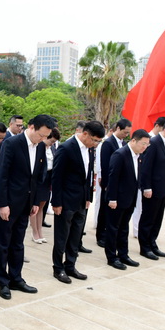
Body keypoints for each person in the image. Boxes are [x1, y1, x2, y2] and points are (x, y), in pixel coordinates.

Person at [0, 114, 54, 299]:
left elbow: (37, 177)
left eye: (46, 136)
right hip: (8, 204)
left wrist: (35, 202)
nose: (43, 139)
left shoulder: (40, 147)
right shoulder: (12, 143)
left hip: (26, 204)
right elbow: (2, 175)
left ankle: (16, 278)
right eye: (41, 135)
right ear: (31, 127)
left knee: (18, 243)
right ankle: (3, 282)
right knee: (3, 244)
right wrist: (3, 204)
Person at [51, 121, 104, 284]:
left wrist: (88, 197)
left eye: (98, 142)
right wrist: (56, 202)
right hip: (66, 200)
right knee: (62, 236)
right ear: (85, 134)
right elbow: (57, 177)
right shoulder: (66, 148)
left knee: (76, 235)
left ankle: (70, 265)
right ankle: (58, 268)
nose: (95, 144)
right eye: (94, 140)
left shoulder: (90, 149)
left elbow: (88, 175)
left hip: (81, 201)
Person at [105, 129, 151, 269]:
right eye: (143, 144)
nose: (145, 147)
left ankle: (123, 255)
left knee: (124, 228)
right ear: (134, 141)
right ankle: (112, 257)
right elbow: (113, 178)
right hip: (117, 199)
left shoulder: (138, 156)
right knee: (113, 229)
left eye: (147, 144)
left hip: (129, 198)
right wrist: (112, 198)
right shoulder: (120, 154)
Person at [138, 119, 165, 260]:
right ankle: (145, 247)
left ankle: (152, 243)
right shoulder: (153, 143)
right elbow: (146, 167)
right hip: (152, 188)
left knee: (158, 218)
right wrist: (147, 187)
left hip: (164, 187)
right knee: (148, 218)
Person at [96, 119, 131, 247]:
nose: (126, 135)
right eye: (125, 132)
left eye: (128, 133)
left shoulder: (124, 144)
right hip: (109, 183)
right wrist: (106, 184)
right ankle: (101, 235)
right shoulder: (108, 143)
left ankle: (110, 235)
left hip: (119, 185)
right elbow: (105, 166)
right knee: (104, 210)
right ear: (118, 128)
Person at [132, 116, 165, 238]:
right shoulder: (148, 140)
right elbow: (145, 164)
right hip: (142, 180)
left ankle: (144, 234)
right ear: (157, 126)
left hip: (155, 184)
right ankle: (137, 231)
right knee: (139, 208)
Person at [30, 128, 60, 244]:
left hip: (48, 179)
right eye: (51, 141)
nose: (52, 144)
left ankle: (40, 231)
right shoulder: (39, 147)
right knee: (35, 206)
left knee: (42, 206)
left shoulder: (51, 148)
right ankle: (34, 232)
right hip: (39, 179)